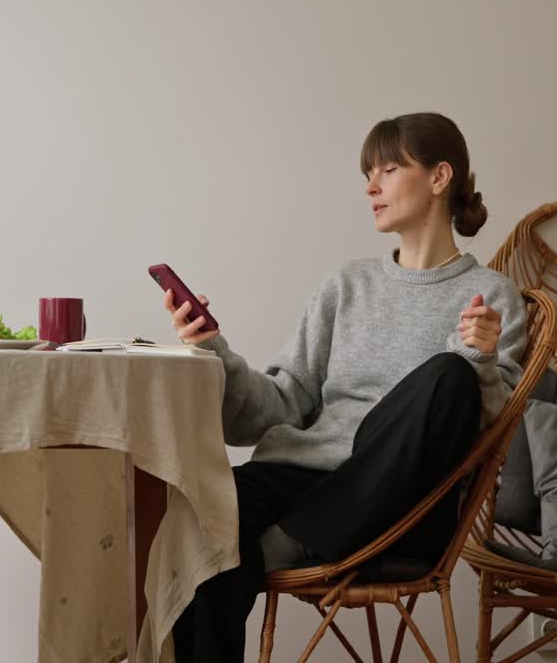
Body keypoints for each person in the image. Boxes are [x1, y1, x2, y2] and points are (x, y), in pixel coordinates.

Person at [160, 112, 528, 661]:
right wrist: (213, 348)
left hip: (400, 508)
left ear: (438, 177)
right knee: (199, 516)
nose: (371, 187)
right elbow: (275, 408)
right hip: (298, 480)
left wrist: (479, 360)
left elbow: (490, 433)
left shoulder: (491, 296)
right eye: (368, 173)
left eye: (388, 169)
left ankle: (296, 539)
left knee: (449, 373)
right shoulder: (345, 286)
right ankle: (291, 537)